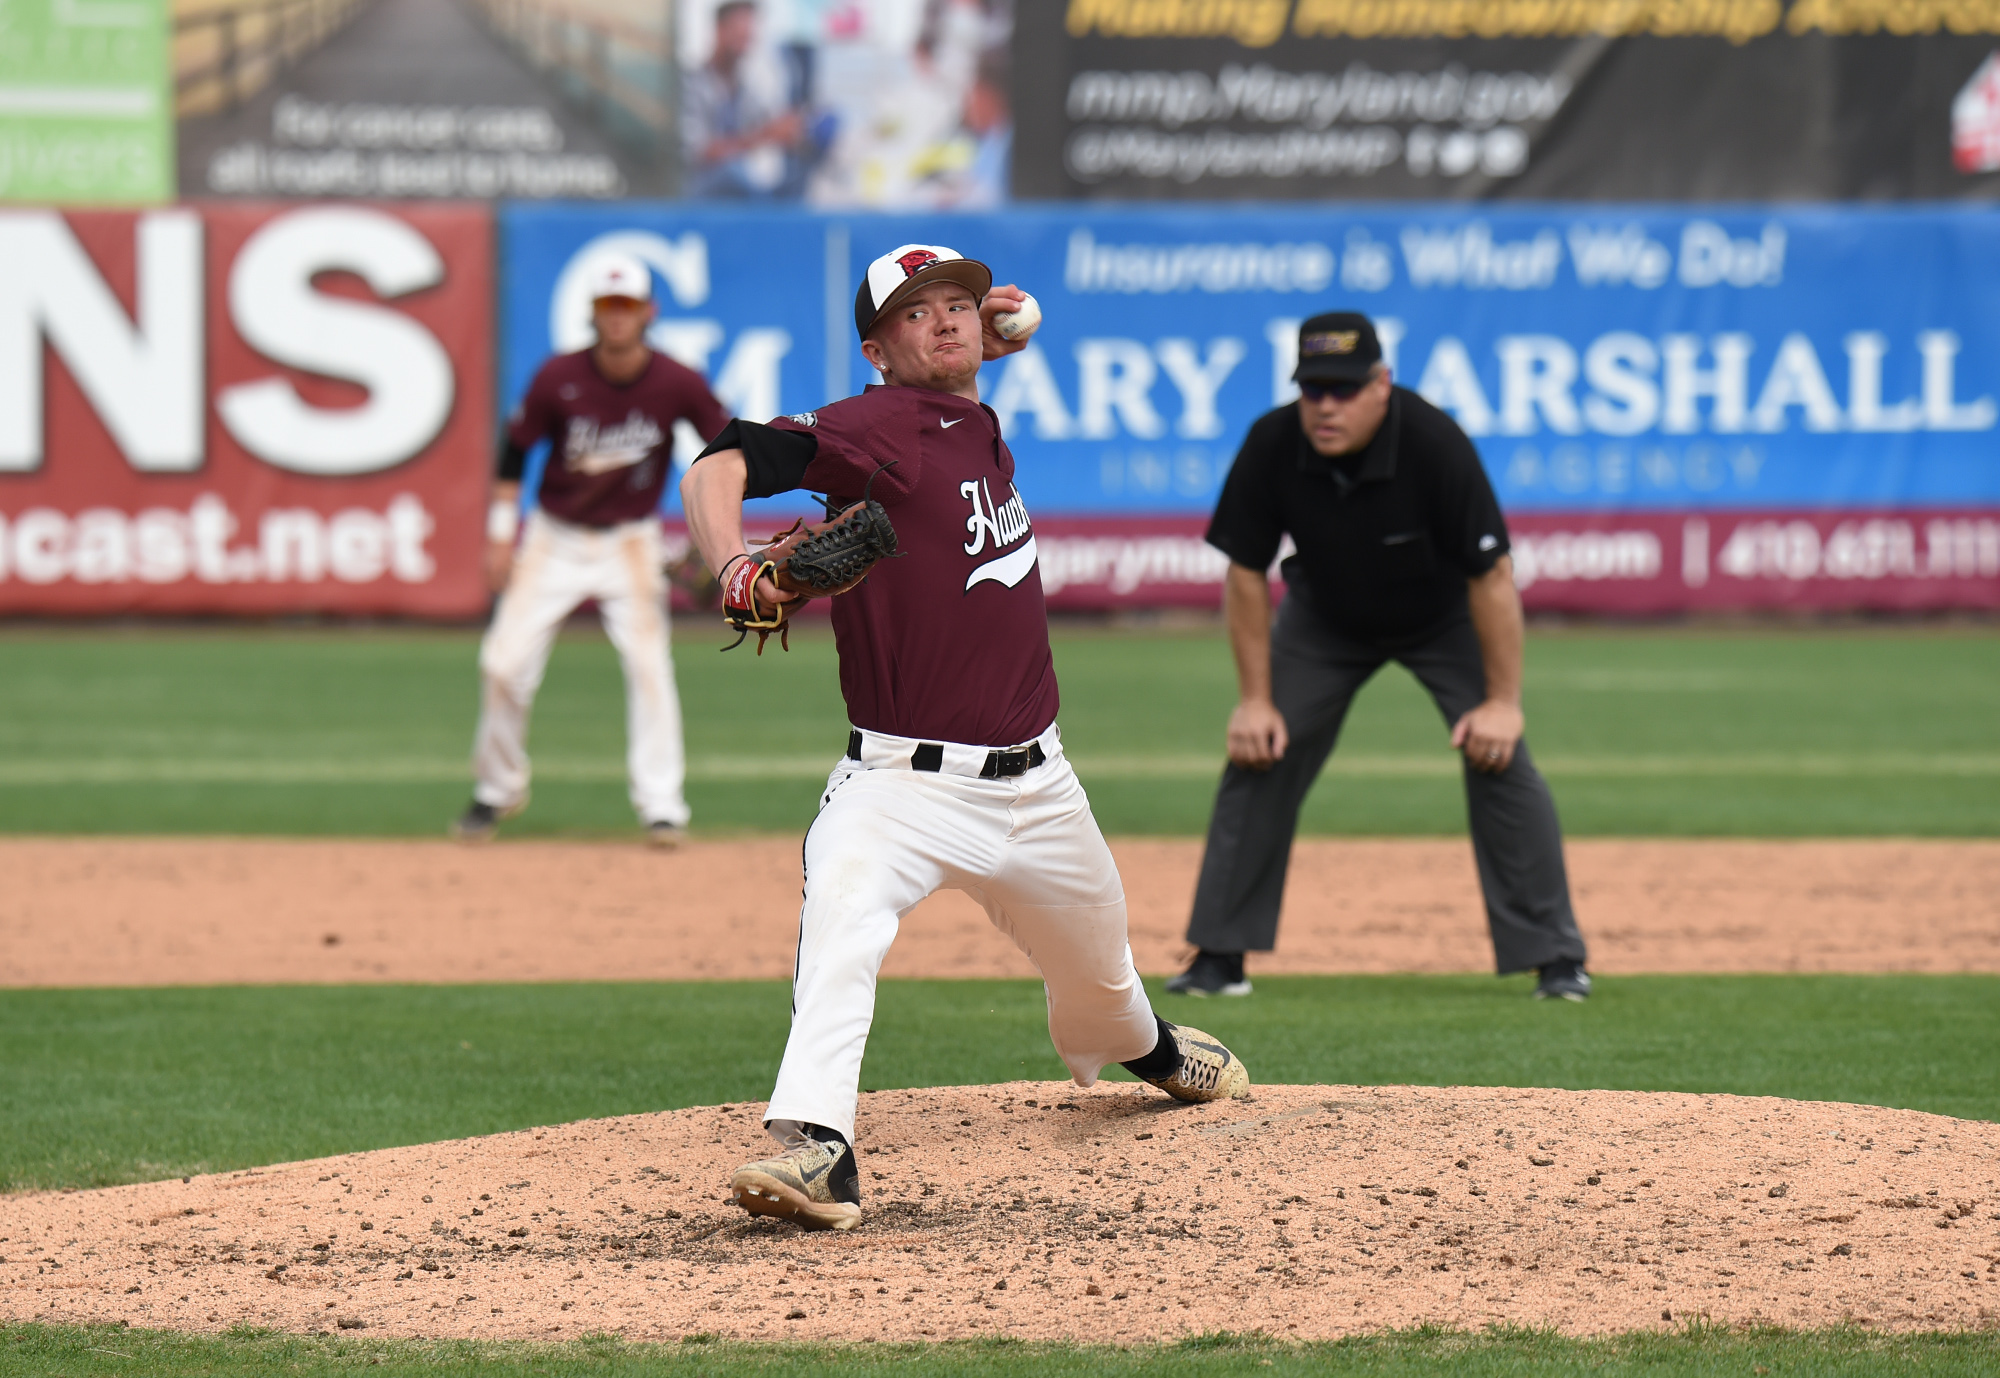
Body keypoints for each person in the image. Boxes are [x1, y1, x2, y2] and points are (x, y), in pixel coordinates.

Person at [680, 242, 1251, 1232]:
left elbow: (967, 360)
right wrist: (732, 566)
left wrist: (997, 334)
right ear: (875, 348)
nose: (943, 321)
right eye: (916, 313)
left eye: (955, 305)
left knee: (1101, 979)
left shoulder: (966, 416)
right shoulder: (871, 426)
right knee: (841, 928)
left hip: (1040, 787)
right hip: (898, 788)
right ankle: (819, 1146)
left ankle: (1149, 1049)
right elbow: (720, 459)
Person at [1167, 312, 1591, 1002]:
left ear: (1381, 384)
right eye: (1313, 390)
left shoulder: (1433, 441)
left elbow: (1491, 575)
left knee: (1499, 755)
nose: (1326, 405)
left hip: (1443, 615)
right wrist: (1254, 699)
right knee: (1261, 749)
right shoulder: (1273, 441)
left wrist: (1503, 703)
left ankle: (1556, 958)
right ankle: (1218, 956)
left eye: (1343, 388)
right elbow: (1245, 572)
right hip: (1326, 619)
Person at [452, 254, 730, 847]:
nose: (618, 317)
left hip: (631, 540)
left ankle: (663, 807)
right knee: (501, 663)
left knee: (650, 668)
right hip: (554, 537)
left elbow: (727, 448)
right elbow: (514, 453)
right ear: (593, 313)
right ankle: (496, 790)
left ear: (648, 311)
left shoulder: (676, 380)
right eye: (608, 307)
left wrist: (715, 535)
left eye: (627, 306)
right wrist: (501, 533)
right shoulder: (559, 377)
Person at [681, 1, 806, 199]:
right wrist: (765, 135)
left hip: (744, 186)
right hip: (698, 192)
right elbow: (700, 154)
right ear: (720, 30)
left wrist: (789, 131)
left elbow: (767, 124)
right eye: (739, 35)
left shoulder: (746, 88)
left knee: (794, 173)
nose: (744, 42)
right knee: (734, 174)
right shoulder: (691, 84)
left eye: (748, 36)